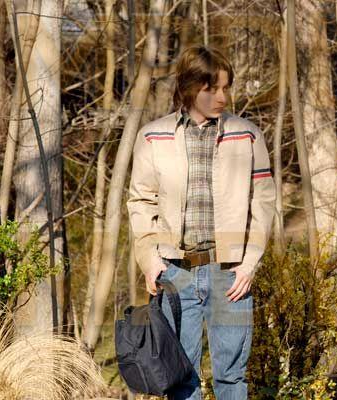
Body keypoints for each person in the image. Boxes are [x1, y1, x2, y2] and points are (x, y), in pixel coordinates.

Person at [127, 46, 275, 400]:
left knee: (232, 378)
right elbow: (141, 202)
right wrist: (150, 260)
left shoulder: (247, 135)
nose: (222, 97)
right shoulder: (153, 136)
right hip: (175, 273)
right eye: (212, 89)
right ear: (190, 87)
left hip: (230, 274)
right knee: (181, 377)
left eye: (225, 88)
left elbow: (264, 203)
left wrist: (249, 264)